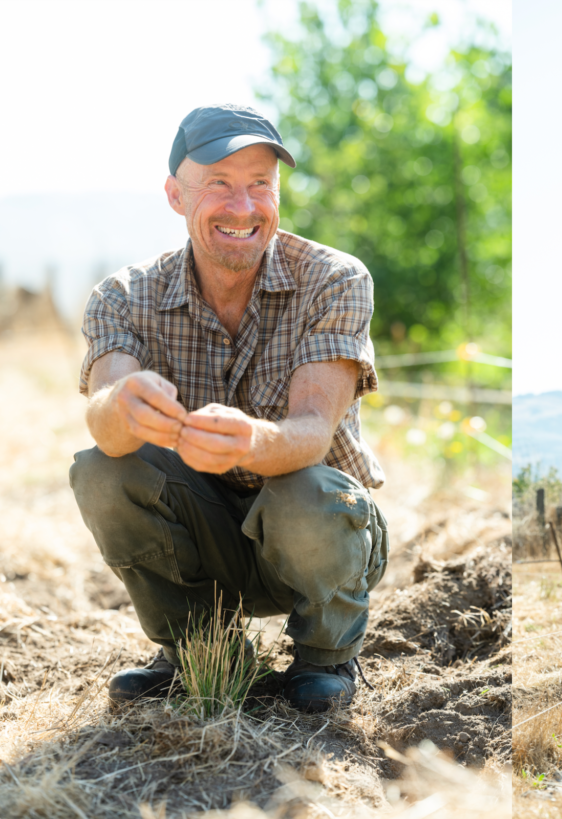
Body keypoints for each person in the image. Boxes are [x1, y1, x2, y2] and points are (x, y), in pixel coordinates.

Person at [69, 104, 389, 713]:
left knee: (306, 492)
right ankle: (200, 648)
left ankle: (326, 653)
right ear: (174, 194)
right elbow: (104, 413)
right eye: (218, 184)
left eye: (260, 185)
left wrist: (251, 443)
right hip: (201, 532)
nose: (243, 207)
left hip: (316, 536)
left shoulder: (335, 279)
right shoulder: (123, 296)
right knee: (101, 469)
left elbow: (314, 430)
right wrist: (121, 406)